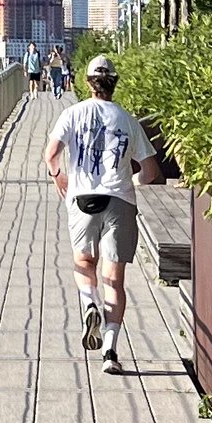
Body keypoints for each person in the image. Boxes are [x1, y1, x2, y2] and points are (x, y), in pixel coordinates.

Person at [46, 54, 157, 376]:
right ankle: (110, 349)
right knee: (115, 278)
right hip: (120, 200)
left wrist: (59, 176)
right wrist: (132, 180)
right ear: (115, 83)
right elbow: (150, 172)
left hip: (82, 199)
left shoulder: (72, 113)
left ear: (88, 82)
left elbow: (51, 154)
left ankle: (88, 303)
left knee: (84, 263)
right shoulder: (127, 119)